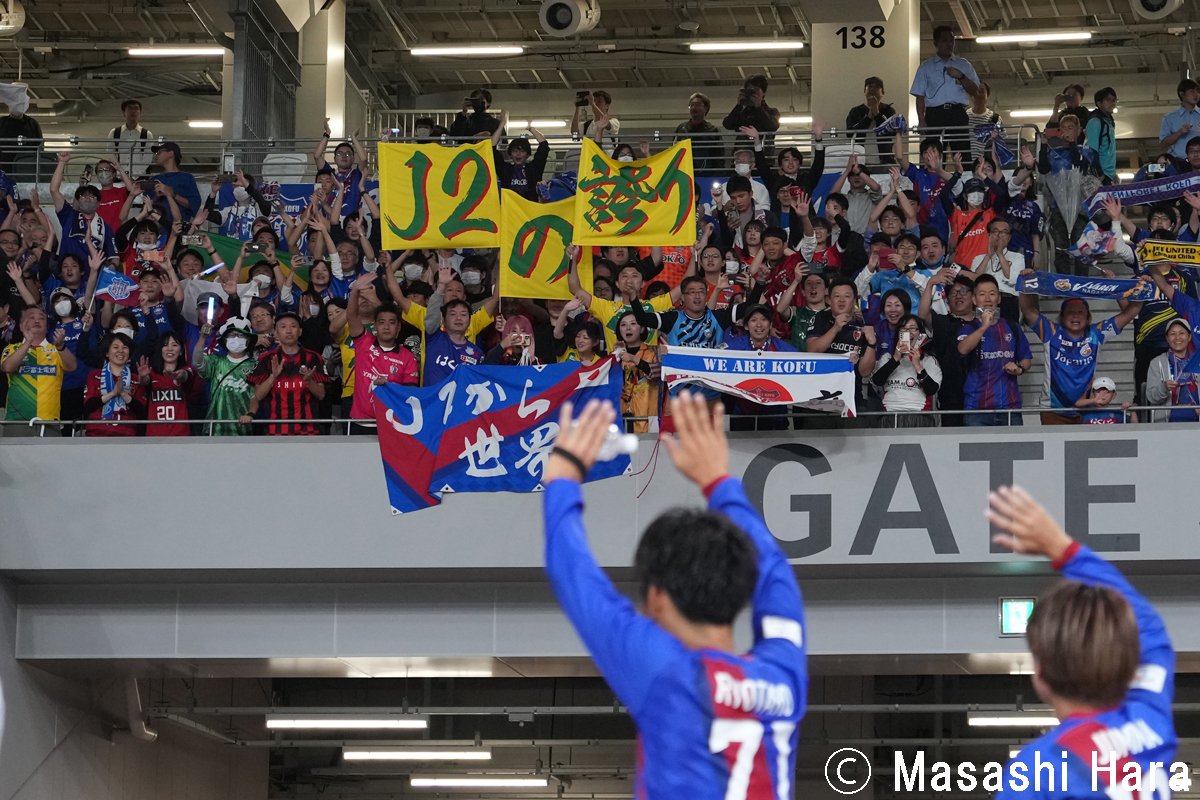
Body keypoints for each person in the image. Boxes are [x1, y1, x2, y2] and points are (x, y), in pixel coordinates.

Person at [542, 393, 806, 800]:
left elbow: (577, 580)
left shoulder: (667, 673)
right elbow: (775, 573)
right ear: (739, 586)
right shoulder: (783, 675)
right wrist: (719, 482)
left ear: (658, 597)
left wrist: (561, 478)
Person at [987, 485, 1175, 800]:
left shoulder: (1037, 770)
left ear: (1040, 674)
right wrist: (1064, 549)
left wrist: (1062, 550)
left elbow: (1151, 632)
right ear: (1128, 666)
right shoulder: (1150, 723)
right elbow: (1151, 630)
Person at [1019, 294, 1141, 425]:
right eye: (1070, 312)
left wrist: (1144, 291)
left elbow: (1129, 314)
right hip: (1053, 410)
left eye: (1080, 312)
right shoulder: (1051, 331)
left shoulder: (1096, 334)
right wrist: (1025, 282)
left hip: (1086, 410)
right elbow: (1028, 311)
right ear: (1062, 316)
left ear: (1088, 317)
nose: (1075, 316)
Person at [956, 273, 1032, 426]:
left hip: (1010, 407)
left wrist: (1020, 369)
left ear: (999, 298)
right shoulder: (968, 328)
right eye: (982, 294)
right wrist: (984, 326)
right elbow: (962, 349)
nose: (988, 299)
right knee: (975, 451)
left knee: (1014, 449)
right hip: (976, 409)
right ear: (974, 300)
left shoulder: (1012, 327)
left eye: (992, 294)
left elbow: (1026, 358)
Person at [248, 312, 328, 436]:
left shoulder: (313, 358)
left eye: (293, 326)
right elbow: (258, 396)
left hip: (308, 431)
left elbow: (321, 395)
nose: (289, 331)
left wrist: (308, 381)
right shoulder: (266, 359)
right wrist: (272, 377)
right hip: (275, 431)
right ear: (276, 333)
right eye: (283, 327)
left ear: (300, 331)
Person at [1, 306, 75, 436]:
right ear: (21, 325)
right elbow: (7, 367)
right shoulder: (12, 348)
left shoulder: (56, 350)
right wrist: (28, 342)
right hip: (17, 421)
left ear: (47, 327)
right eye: (31, 318)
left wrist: (60, 347)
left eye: (41, 318)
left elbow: (72, 366)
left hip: (49, 421)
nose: (37, 321)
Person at [909, 25, 979, 154]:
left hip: (958, 113)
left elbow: (975, 91)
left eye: (952, 40)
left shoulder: (963, 65)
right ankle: (934, 174)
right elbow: (920, 96)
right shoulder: (926, 66)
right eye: (945, 40)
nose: (949, 44)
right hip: (935, 114)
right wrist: (921, 120)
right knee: (934, 152)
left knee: (962, 153)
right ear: (936, 43)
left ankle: (964, 173)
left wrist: (961, 76)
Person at [872, 313, 941, 426]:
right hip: (889, 415)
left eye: (913, 328)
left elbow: (932, 390)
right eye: (904, 328)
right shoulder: (887, 358)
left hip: (919, 415)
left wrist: (918, 366)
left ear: (920, 335)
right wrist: (895, 359)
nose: (908, 332)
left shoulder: (929, 361)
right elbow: (877, 381)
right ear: (898, 334)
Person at [82, 331, 146, 437]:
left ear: (129, 354)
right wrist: (112, 393)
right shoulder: (95, 375)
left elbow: (141, 412)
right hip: (96, 433)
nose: (121, 351)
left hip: (126, 435)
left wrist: (123, 394)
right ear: (107, 353)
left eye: (125, 347)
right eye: (115, 347)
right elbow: (88, 407)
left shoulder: (136, 378)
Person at [136, 331, 199, 436]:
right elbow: (145, 382)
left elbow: (185, 376)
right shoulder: (152, 374)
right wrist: (142, 377)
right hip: (154, 436)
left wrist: (177, 376)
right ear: (160, 350)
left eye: (174, 345)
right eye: (165, 345)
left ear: (181, 352)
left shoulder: (187, 370)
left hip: (181, 436)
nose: (170, 349)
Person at [1145, 318, 1199, 422]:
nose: (1177, 337)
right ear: (1167, 338)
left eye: (1182, 333)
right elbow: (1151, 397)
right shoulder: (1157, 363)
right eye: (1172, 334)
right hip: (1166, 424)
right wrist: (1164, 387)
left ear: (1189, 337)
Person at [845, 76, 897, 164]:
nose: (873, 89)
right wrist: (868, 117)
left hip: (885, 160)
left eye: (876, 87)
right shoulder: (856, 111)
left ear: (882, 93)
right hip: (859, 162)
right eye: (869, 87)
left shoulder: (888, 111)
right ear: (865, 91)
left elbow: (891, 132)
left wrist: (877, 113)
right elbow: (849, 133)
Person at [721, 75, 780, 150]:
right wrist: (739, 105)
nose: (752, 93)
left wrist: (758, 107)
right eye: (749, 90)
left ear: (763, 93)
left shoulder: (772, 112)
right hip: (742, 154)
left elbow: (772, 127)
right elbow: (727, 125)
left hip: (763, 154)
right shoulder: (742, 112)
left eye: (755, 90)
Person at [148, 142, 201, 222]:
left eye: (159, 152)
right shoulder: (154, 179)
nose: (156, 155)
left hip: (179, 228)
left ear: (171, 153)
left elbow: (194, 205)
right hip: (157, 230)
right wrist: (157, 197)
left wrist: (173, 194)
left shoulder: (187, 178)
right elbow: (146, 206)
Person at [674, 92, 724, 175]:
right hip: (685, 173)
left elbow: (719, 157)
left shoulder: (713, 130)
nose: (694, 107)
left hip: (707, 174)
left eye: (697, 105)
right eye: (691, 105)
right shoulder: (681, 129)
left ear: (706, 108)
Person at [1159, 79, 1200, 164]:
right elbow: (1163, 144)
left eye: (1197, 91)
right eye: (1192, 91)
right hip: (1178, 163)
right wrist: (1179, 133)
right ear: (1182, 94)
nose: (1196, 94)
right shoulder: (1170, 118)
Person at [110, 99, 153, 178]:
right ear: (124, 113)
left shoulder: (147, 134)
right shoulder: (114, 133)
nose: (133, 111)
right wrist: (120, 173)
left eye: (136, 108)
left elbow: (148, 158)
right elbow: (111, 154)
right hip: (119, 177)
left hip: (140, 177)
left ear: (140, 113)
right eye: (130, 108)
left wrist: (135, 175)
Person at [1087, 87, 1118, 184]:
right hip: (1100, 177)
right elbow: (1091, 152)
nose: (1112, 103)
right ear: (1099, 103)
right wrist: (1100, 175)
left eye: (1114, 100)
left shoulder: (1108, 122)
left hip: (1108, 175)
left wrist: (1112, 174)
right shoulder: (1095, 122)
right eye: (1108, 100)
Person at [966, 81, 1001, 162]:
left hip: (988, 163)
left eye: (982, 91)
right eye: (976, 91)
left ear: (987, 95)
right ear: (971, 95)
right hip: (967, 162)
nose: (979, 94)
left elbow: (1002, 140)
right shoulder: (964, 117)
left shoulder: (995, 118)